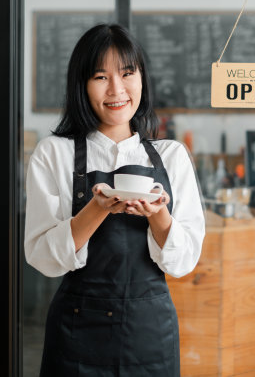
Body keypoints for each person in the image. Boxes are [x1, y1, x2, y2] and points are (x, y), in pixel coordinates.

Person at [24, 23, 205, 377]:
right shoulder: (54, 153)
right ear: (82, 84)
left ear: (142, 79)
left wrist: (158, 216)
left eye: (127, 73)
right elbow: (43, 257)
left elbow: (184, 262)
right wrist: (96, 209)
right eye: (100, 77)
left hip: (149, 333)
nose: (117, 89)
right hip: (77, 333)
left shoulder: (171, 155)